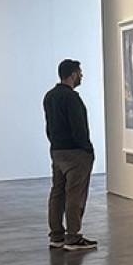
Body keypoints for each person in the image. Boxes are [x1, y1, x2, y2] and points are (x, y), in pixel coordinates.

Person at [43, 59, 97, 251]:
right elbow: (78, 127)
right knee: (75, 194)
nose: (82, 76)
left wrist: (55, 145)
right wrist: (87, 148)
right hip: (75, 153)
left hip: (57, 151)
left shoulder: (50, 96)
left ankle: (56, 235)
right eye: (80, 73)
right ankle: (73, 236)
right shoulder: (72, 98)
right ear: (73, 75)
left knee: (57, 192)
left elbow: (49, 126)